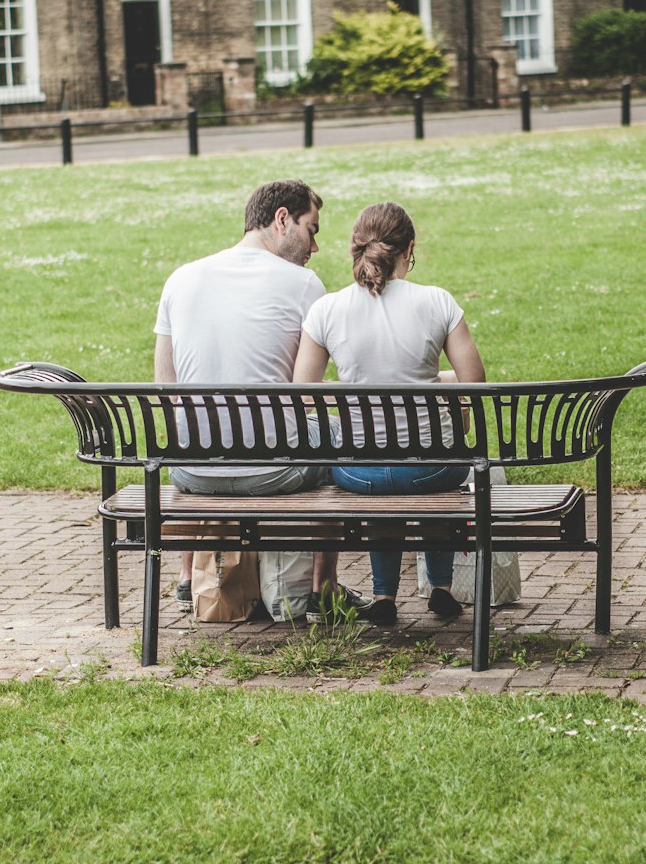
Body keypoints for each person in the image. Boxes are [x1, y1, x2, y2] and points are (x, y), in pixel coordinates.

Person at [153, 178, 364, 618]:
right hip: (273, 471)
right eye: (313, 229)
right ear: (282, 219)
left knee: (195, 429)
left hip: (191, 472)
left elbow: (167, 387)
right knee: (338, 444)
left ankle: (189, 577)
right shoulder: (304, 284)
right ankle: (322, 588)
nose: (315, 246)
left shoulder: (181, 279)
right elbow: (309, 394)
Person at [292, 201, 487, 626]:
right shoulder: (437, 302)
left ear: (356, 249)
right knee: (436, 475)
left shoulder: (327, 309)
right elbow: (475, 382)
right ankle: (440, 587)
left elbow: (303, 392)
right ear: (409, 248)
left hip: (360, 472)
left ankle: (384, 594)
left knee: (381, 483)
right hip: (434, 470)